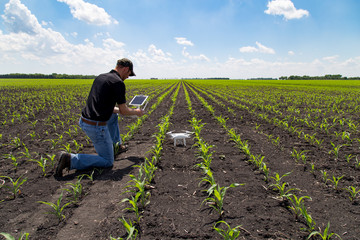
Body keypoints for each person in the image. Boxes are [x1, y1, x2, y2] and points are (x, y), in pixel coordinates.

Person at [55, 58, 144, 177]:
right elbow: (123, 110)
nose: (128, 77)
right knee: (107, 161)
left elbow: (110, 108)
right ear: (126, 69)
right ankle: (70, 159)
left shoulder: (101, 77)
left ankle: (115, 145)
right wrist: (136, 112)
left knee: (113, 115)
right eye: (129, 74)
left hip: (84, 120)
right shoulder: (118, 83)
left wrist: (131, 112)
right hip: (96, 127)